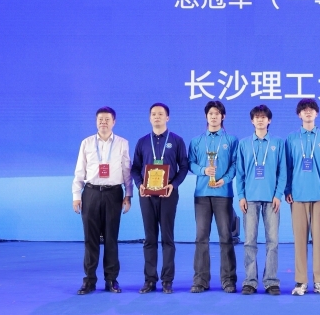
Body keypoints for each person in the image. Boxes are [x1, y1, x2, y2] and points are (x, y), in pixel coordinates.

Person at [72, 106, 133, 295]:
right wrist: (76, 196)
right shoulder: (87, 143)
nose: (103, 122)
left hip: (113, 194)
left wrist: (128, 195)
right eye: (100, 119)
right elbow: (79, 171)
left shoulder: (122, 143)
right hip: (90, 193)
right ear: (96, 122)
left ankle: (111, 280)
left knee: (111, 238)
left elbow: (127, 171)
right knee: (90, 239)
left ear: (114, 122)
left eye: (107, 119)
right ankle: (89, 280)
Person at [131, 103, 189, 294]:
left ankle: (167, 280)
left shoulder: (177, 140)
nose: (157, 117)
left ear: (167, 118)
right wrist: (139, 184)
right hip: (146, 194)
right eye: (154, 114)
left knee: (167, 237)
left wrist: (174, 185)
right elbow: (135, 168)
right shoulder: (142, 142)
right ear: (150, 118)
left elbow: (184, 166)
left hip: (168, 193)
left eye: (161, 114)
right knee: (149, 238)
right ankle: (149, 280)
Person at [285, 98, 320, 296]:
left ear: (316, 113)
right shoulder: (291, 138)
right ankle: (301, 282)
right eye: (304, 110)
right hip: (298, 195)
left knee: (319, 239)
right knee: (299, 239)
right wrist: (287, 189)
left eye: (311, 109)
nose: (308, 112)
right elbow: (288, 167)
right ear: (299, 114)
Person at [188, 101, 239, 293]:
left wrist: (224, 180)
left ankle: (228, 280)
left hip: (223, 194)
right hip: (202, 194)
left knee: (226, 237)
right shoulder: (197, 141)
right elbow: (190, 163)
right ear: (206, 116)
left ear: (223, 117)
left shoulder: (231, 140)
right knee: (201, 237)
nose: (214, 116)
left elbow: (235, 165)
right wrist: (204, 170)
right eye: (211, 113)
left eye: (217, 113)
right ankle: (200, 280)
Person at [236, 105, 286, 296]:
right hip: (250, 199)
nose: (260, 120)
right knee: (249, 241)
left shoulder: (277, 143)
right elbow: (240, 173)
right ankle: (250, 281)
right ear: (252, 121)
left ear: (269, 120)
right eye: (257, 117)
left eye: (263, 117)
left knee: (272, 241)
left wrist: (278, 195)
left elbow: (282, 171)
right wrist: (241, 196)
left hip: (271, 200)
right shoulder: (244, 144)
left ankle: (271, 281)